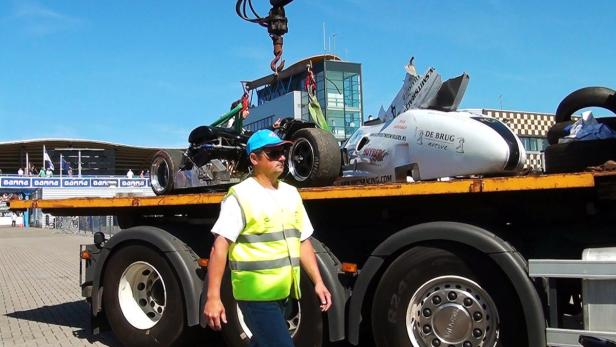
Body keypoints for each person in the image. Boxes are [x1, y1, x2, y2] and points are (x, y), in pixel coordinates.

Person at [203, 129, 331, 347]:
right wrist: (213, 297)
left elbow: (302, 241)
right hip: (255, 296)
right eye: (272, 153)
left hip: (284, 293)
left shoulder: (291, 193)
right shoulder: (240, 196)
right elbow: (220, 247)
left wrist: (318, 282)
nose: (281, 157)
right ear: (254, 158)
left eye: (282, 151)